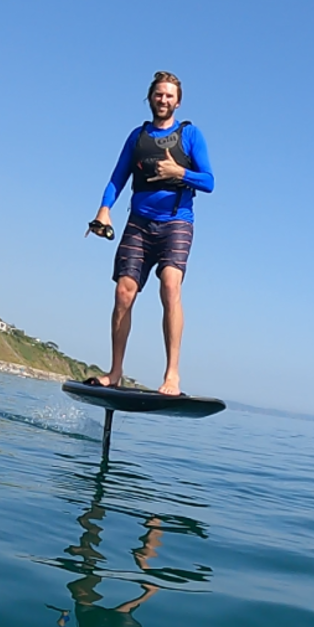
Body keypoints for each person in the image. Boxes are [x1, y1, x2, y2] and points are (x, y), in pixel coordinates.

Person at [86, 71, 214, 395]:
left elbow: (210, 181)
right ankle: (115, 372)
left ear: (178, 101)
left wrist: (179, 172)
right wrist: (104, 209)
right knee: (123, 292)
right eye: (159, 94)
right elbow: (117, 178)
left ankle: (172, 376)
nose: (164, 100)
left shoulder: (191, 135)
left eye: (170, 95)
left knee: (170, 287)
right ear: (150, 98)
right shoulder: (137, 137)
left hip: (176, 222)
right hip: (139, 223)